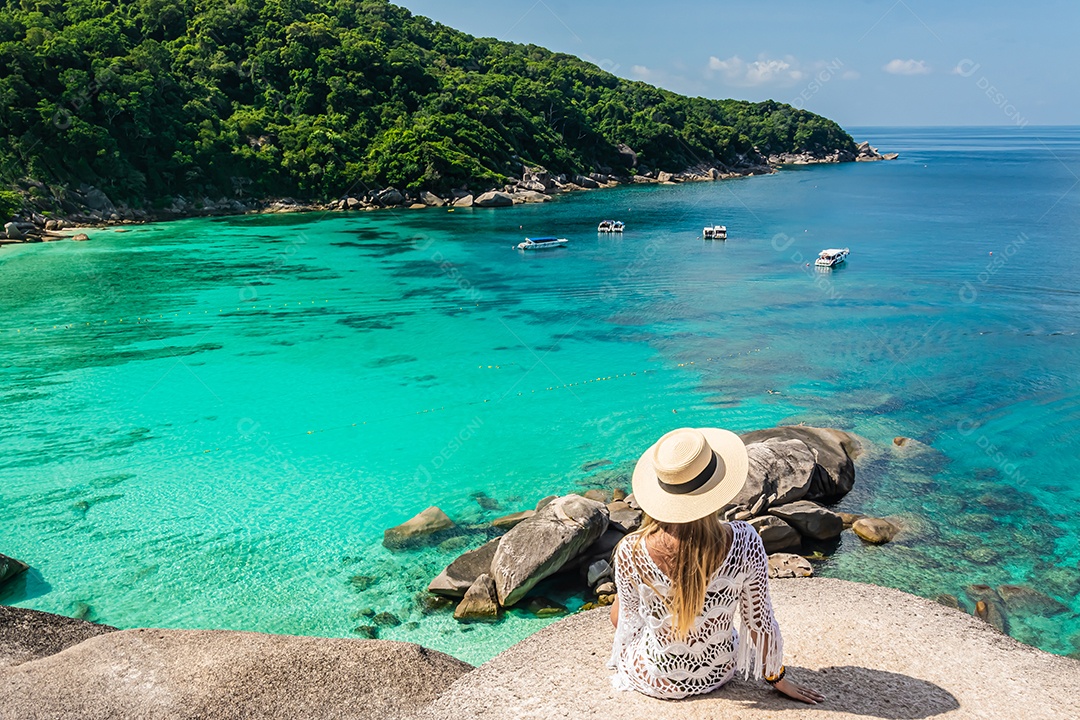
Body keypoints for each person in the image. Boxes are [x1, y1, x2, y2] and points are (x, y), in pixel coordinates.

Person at [608, 427, 825, 704]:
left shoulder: (631, 548)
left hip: (656, 678)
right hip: (719, 669)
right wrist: (776, 677)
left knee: (620, 607)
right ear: (716, 486)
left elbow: (627, 623)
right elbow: (759, 622)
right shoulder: (745, 540)